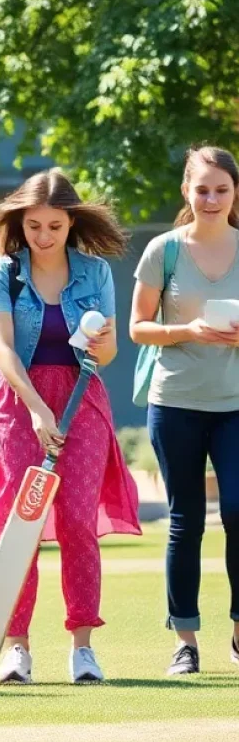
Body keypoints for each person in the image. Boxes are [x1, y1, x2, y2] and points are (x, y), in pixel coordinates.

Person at [0, 169, 140, 685]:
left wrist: (101, 341)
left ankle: (82, 648)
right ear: (21, 223)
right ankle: (16, 649)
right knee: (15, 526)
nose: (43, 236)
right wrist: (39, 409)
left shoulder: (97, 274)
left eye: (55, 226)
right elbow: (0, 349)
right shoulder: (4, 271)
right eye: (35, 226)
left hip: (82, 399)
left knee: (77, 522)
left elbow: (107, 354)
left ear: (72, 224)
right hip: (17, 401)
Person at [130, 147, 239, 676]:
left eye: (221, 189)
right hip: (175, 403)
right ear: (187, 193)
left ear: (235, 192)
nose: (212, 199)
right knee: (185, 521)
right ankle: (186, 641)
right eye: (203, 189)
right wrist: (188, 331)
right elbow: (138, 327)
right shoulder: (163, 251)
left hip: (235, 405)